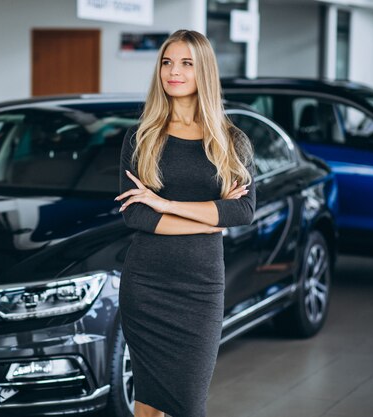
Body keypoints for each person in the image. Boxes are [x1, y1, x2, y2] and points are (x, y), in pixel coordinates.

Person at [114, 29, 257, 417]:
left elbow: (242, 212)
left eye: (186, 63)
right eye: (167, 62)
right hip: (146, 284)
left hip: (200, 287)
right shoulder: (141, 137)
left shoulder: (231, 140)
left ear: (203, 71)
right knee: (146, 406)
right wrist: (209, 218)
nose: (173, 71)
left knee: (189, 406)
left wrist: (165, 203)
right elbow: (135, 215)